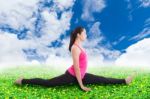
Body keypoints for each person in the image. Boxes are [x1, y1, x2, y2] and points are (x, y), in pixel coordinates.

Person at [15, 26, 136, 92]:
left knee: (101, 79)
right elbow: (77, 67)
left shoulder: (80, 46)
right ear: (79, 34)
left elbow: (82, 66)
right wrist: (81, 85)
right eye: (85, 33)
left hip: (82, 75)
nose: (86, 35)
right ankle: (22, 81)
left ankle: (124, 81)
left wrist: (82, 80)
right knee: (48, 83)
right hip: (72, 75)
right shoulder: (75, 48)